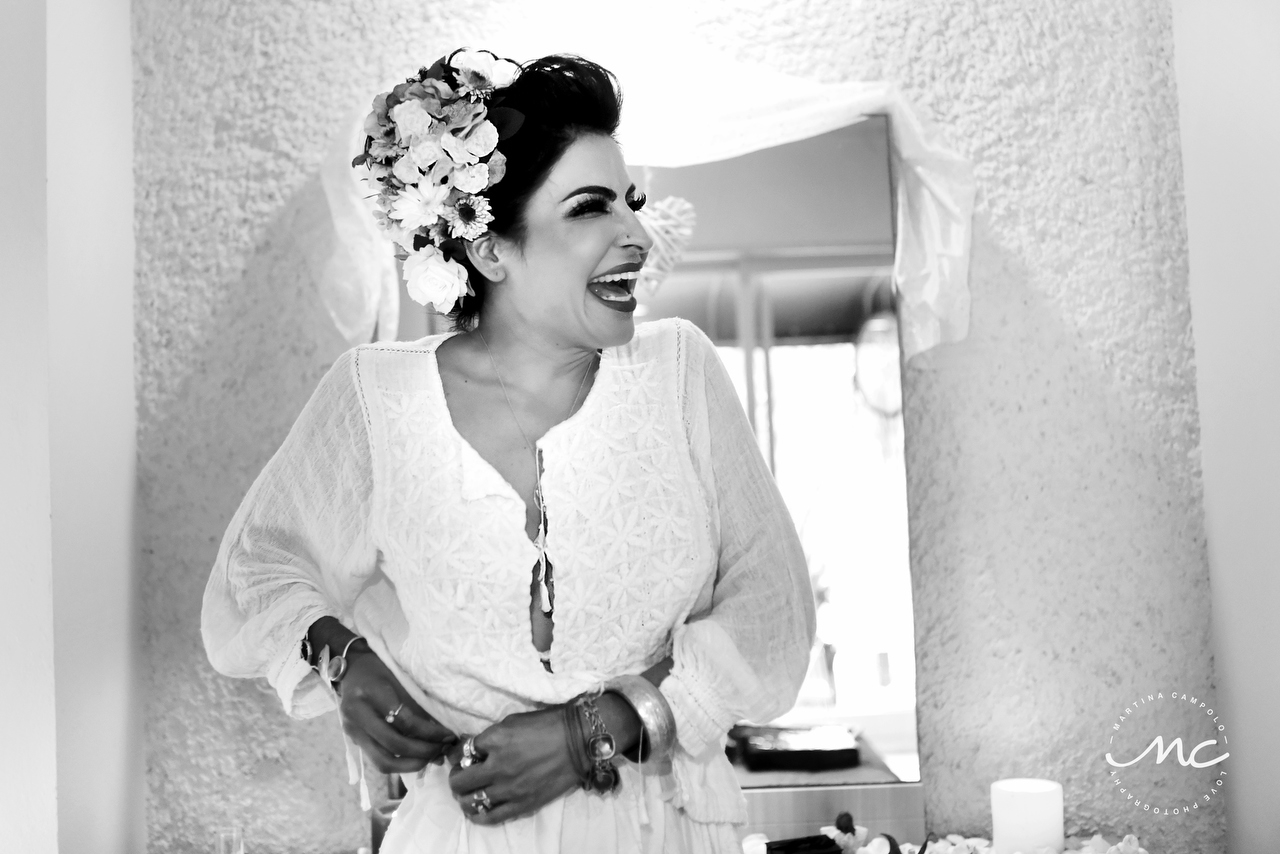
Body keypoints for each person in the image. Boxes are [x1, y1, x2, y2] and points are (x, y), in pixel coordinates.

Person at [202, 49, 815, 854]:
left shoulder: (679, 374)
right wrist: (340, 659)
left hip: (659, 831)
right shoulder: (375, 399)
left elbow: (775, 615)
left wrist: (597, 727)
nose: (638, 234)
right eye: (593, 207)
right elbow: (253, 575)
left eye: (632, 203)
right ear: (489, 249)